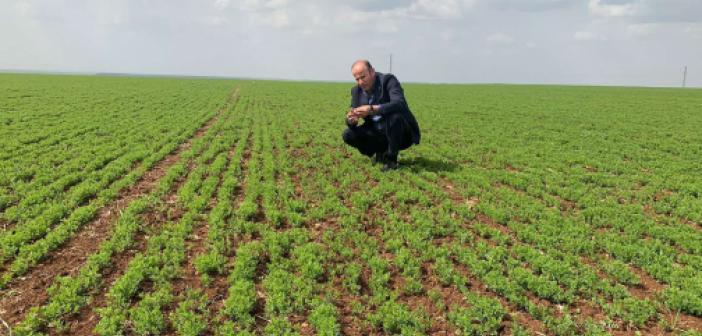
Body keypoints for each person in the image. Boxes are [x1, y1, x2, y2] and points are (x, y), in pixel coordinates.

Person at [342, 60, 421, 171]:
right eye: (357, 79)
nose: (360, 82)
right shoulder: (356, 91)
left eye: (363, 77)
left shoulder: (388, 81)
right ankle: (377, 153)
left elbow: (399, 103)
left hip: (401, 132)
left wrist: (371, 109)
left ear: (372, 71)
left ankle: (391, 161)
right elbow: (352, 116)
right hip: (377, 131)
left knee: (394, 117)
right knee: (348, 134)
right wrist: (351, 120)